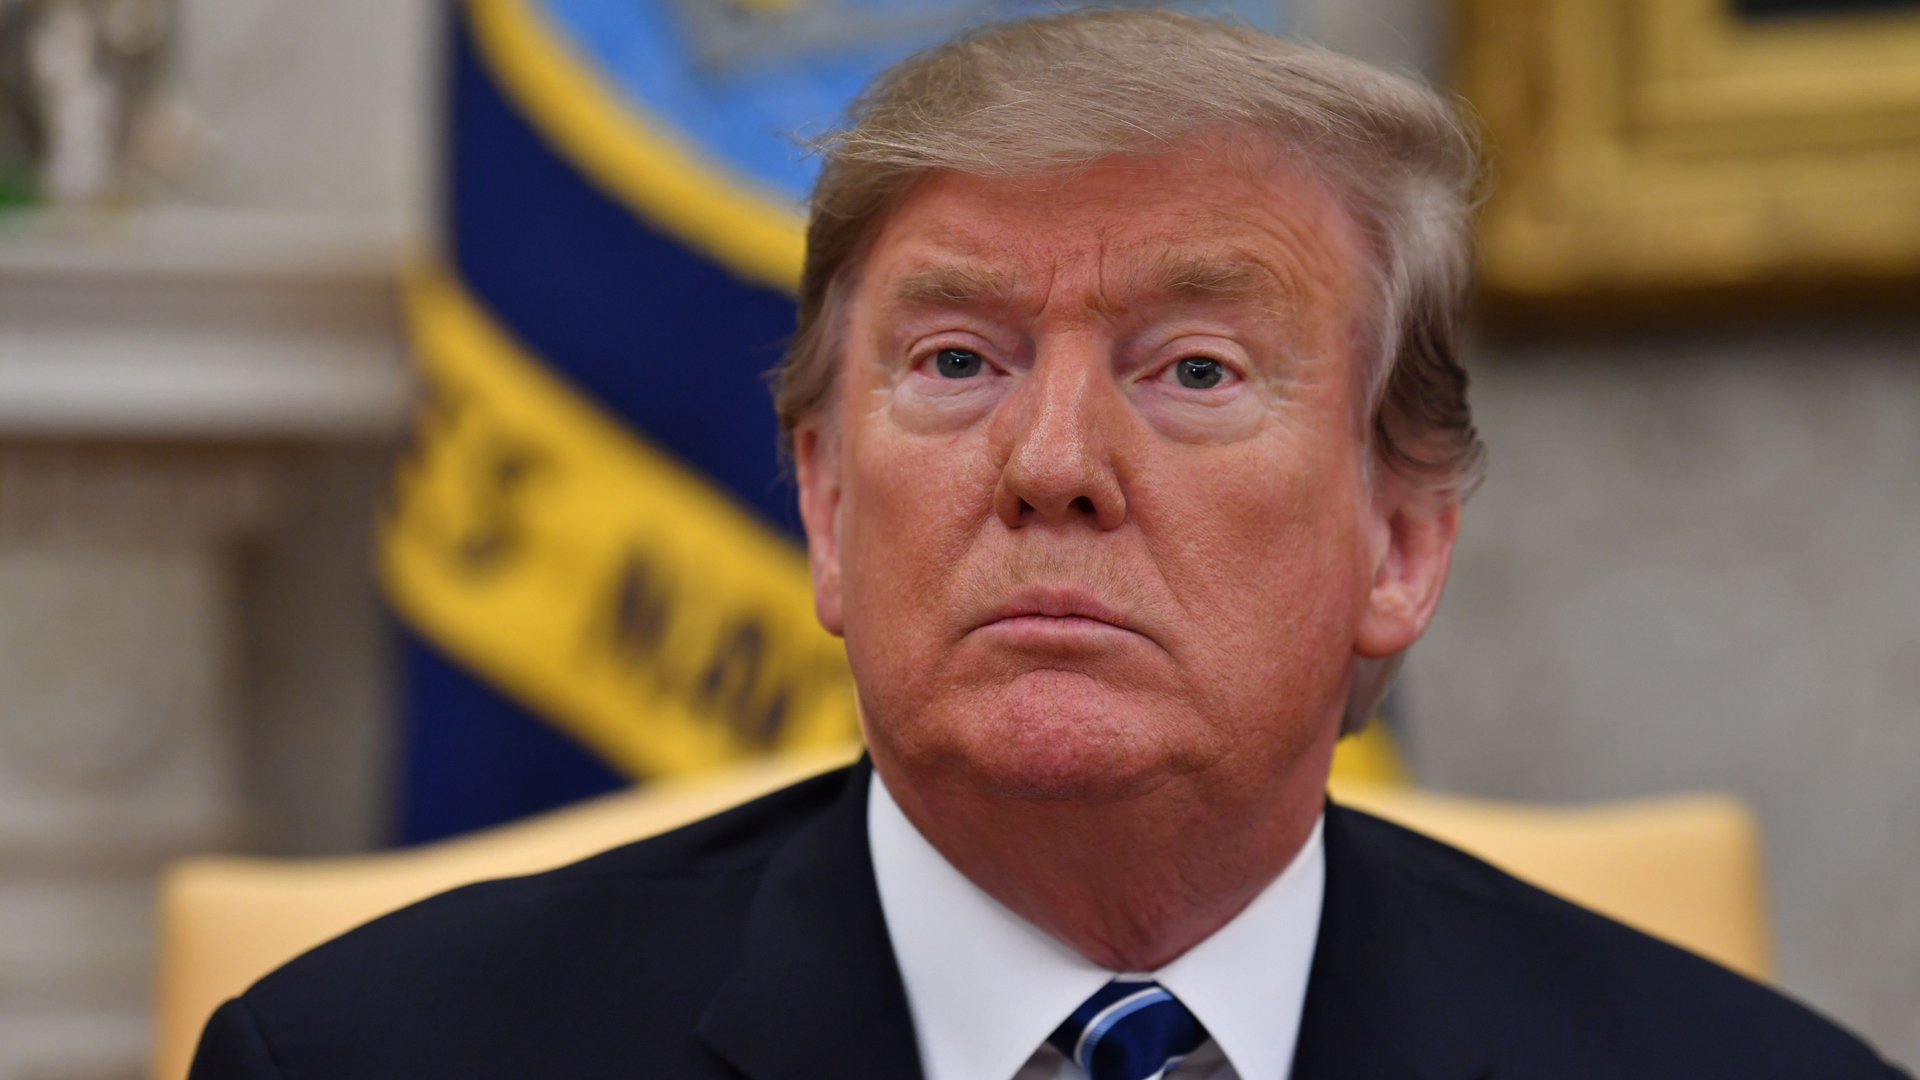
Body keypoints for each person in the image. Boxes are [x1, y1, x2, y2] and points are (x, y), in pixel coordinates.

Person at [189, 10, 1908, 1079]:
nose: (1056, 464)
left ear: (1400, 539)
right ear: (828, 505)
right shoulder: (376, 1059)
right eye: (957, 363)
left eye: (1195, 369)